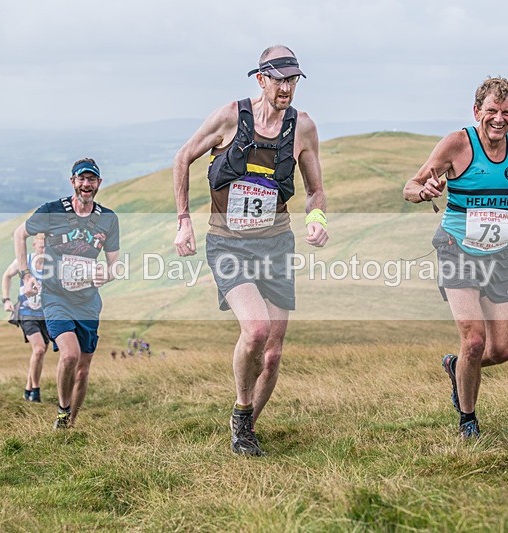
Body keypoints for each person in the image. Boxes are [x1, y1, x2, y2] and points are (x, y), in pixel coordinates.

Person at [173, 45, 329, 456]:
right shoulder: (229, 117)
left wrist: (317, 218)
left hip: (276, 244)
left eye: (292, 79)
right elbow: (182, 158)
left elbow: (315, 191)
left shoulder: (304, 128)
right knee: (256, 330)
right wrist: (184, 220)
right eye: (279, 78)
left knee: (273, 352)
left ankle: (245, 430)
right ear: (260, 79)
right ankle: (242, 413)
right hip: (229, 243)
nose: (286, 87)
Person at [403, 77, 508, 439]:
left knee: (501, 349)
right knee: (474, 340)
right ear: (477, 112)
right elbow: (409, 187)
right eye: (491, 111)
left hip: (499, 254)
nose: (499, 119)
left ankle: (456, 367)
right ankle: (468, 421)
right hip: (456, 248)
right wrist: (425, 191)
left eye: (506, 112)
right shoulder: (457, 143)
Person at [13, 158, 120, 429]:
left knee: (83, 369)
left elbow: (113, 265)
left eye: (91, 180)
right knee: (69, 355)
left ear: (98, 183)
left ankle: (69, 424)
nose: (86, 184)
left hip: (88, 301)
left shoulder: (108, 219)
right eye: (81, 179)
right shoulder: (51, 211)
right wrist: (25, 274)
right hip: (55, 297)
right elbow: (19, 234)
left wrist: (106, 275)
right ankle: (62, 410)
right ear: (73, 181)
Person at [2, 233, 50, 402]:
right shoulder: (25, 261)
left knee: (41, 351)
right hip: (26, 312)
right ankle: (35, 392)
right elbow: (7, 275)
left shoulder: (53, 265)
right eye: (41, 245)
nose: (44, 248)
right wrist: (6, 300)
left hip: (46, 315)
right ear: (34, 245)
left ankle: (28, 388)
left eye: (47, 245)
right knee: (38, 349)